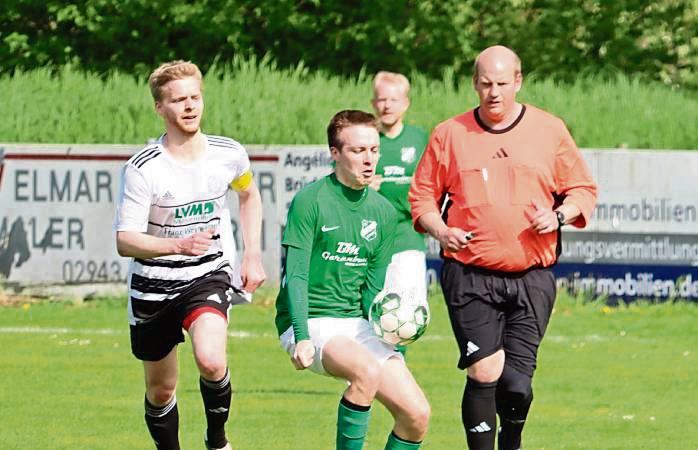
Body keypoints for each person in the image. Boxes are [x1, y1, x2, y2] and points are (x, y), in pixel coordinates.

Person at [409, 46, 597, 450]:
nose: (493, 92)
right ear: (475, 83)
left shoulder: (549, 130)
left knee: (515, 386)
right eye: (485, 83)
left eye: (502, 83)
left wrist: (558, 216)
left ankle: (512, 438)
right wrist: (442, 231)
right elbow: (422, 198)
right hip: (469, 275)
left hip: (533, 277)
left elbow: (582, 190)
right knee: (483, 372)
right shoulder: (450, 134)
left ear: (518, 81)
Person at [114, 60, 266, 450]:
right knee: (161, 390)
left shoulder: (228, 154)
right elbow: (126, 240)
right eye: (178, 99)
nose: (189, 106)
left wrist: (252, 254)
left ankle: (217, 441)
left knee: (212, 360)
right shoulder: (143, 169)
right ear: (160, 108)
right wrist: (176, 244)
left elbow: (248, 195)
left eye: (195, 97)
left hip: (206, 274)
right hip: (154, 285)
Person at [275, 110, 431, 450]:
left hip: (356, 325)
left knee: (417, 415)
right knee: (365, 372)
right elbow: (295, 276)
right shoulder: (310, 201)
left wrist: (391, 330)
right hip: (311, 321)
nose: (369, 159)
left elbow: (372, 288)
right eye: (358, 151)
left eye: (374, 150)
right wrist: (301, 337)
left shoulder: (383, 212)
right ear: (335, 153)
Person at [370, 72, 429, 323]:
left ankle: (397, 361)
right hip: (370, 240)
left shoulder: (420, 139)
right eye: (381, 99)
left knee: (405, 316)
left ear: (406, 103)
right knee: (372, 314)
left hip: (408, 238)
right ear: (373, 103)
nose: (387, 106)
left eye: (393, 100)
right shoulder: (365, 138)